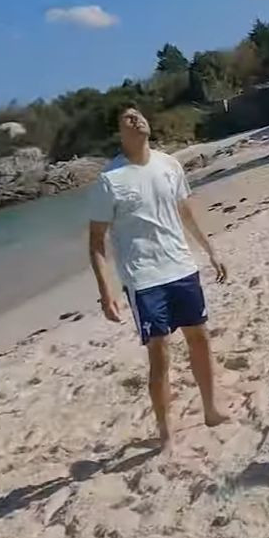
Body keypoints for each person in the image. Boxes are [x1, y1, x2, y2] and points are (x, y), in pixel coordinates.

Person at [87, 107, 230, 453]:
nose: (136, 120)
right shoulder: (111, 179)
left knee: (200, 337)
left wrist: (210, 251)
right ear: (119, 133)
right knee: (160, 354)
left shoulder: (170, 165)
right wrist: (107, 292)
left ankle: (211, 410)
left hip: (182, 267)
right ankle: (166, 434)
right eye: (126, 118)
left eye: (138, 115)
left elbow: (185, 212)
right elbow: (96, 241)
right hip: (144, 278)